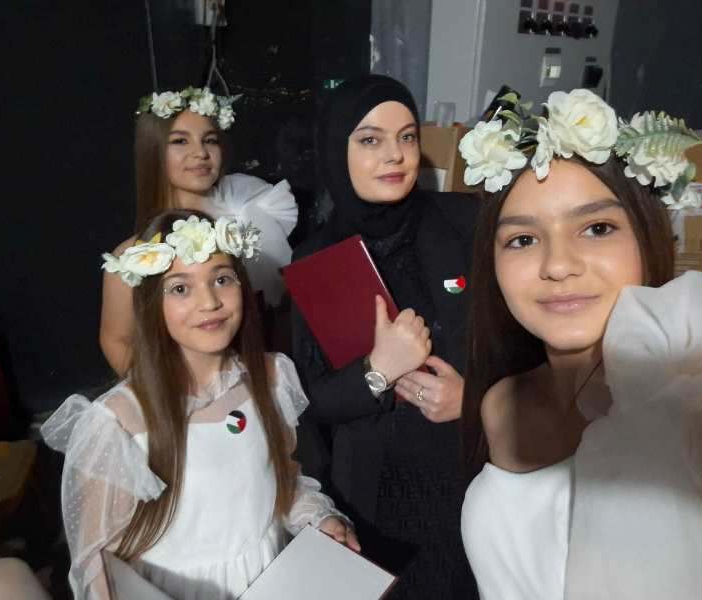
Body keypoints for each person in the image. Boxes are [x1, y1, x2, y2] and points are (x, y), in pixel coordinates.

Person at [458, 88, 702, 599]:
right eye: (523, 239)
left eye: (596, 228)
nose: (558, 265)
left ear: (647, 239)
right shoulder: (501, 402)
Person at [43, 210, 358, 600]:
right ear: (150, 302)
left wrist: (320, 518)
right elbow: (98, 568)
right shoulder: (119, 423)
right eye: (180, 288)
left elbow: (280, 485)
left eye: (221, 279)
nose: (209, 302)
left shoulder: (271, 378)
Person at [291, 75, 478, 598]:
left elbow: (525, 351)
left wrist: (474, 399)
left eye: (407, 137)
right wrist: (378, 370)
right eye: (370, 140)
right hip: (373, 494)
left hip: (469, 480)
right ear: (337, 151)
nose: (395, 155)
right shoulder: (317, 258)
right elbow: (309, 401)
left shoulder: (467, 223)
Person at [101, 86, 297, 376]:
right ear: (153, 150)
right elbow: (117, 339)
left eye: (210, 140)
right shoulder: (136, 256)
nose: (200, 153)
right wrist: (168, 395)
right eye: (180, 141)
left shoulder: (249, 221)